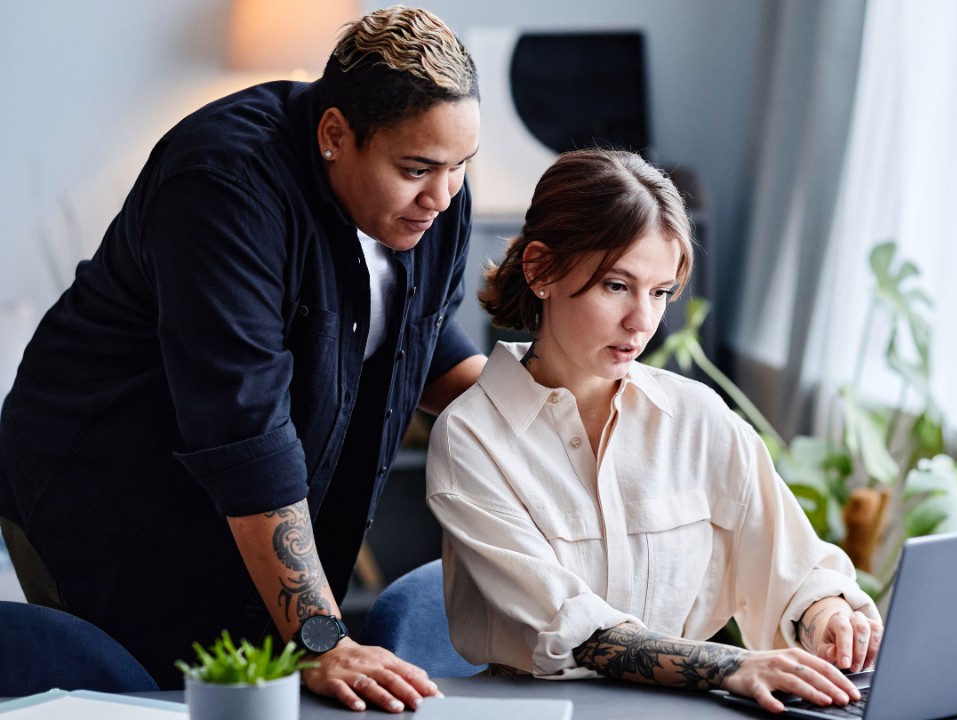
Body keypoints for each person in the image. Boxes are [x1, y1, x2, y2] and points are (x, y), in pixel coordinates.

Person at [0, 6, 484, 713]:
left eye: (459, 167)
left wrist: (551, 420)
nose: (442, 197)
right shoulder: (221, 186)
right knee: (150, 700)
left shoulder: (431, 199)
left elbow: (420, 338)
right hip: (104, 497)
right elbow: (245, 429)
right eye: (416, 169)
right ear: (334, 135)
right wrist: (318, 638)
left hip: (246, 507)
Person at [425, 149, 884, 713]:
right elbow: (578, 632)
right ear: (541, 269)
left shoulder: (697, 418)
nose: (642, 321)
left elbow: (794, 567)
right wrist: (732, 665)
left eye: (661, 291)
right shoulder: (471, 439)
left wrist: (828, 617)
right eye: (617, 286)